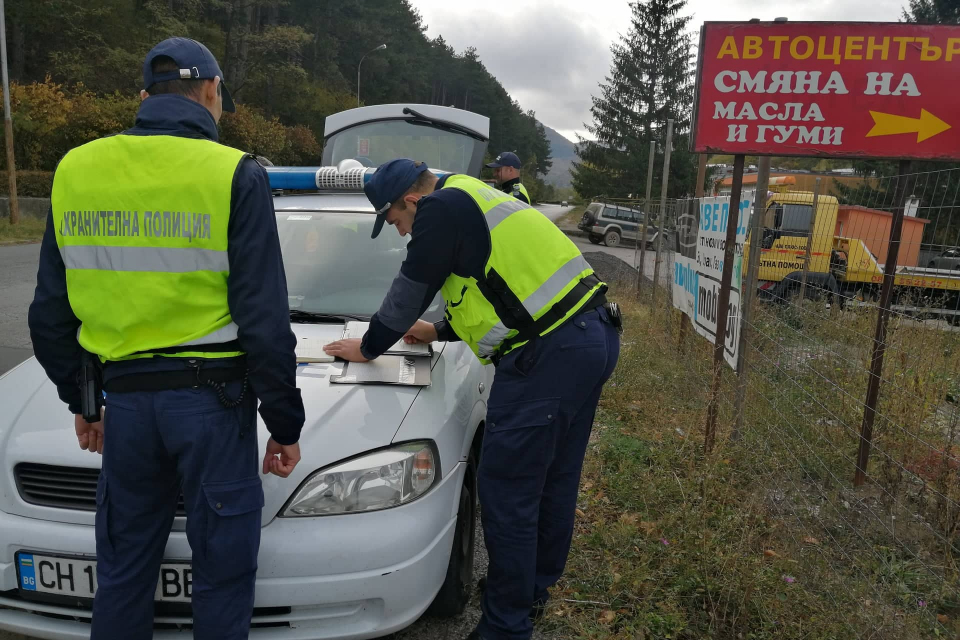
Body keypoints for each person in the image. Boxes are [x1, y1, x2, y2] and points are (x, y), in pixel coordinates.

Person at [27, 37, 305, 640]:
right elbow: (263, 320)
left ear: (144, 96)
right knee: (222, 572)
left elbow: (49, 315)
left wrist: (85, 400)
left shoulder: (75, 168)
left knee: (124, 569)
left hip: (124, 407)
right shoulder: (234, 172)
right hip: (211, 407)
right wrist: (285, 424)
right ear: (210, 93)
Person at [323, 158, 621, 640]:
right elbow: (499, 294)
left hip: (548, 356)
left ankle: (505, 626)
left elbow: (410, 287)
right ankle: (530, 592)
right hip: (588, 338)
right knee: (552, 480)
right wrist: (438, 329)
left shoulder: (440, 208)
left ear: (412, 201)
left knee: (508, 493)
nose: (401, 233)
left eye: (396, 221)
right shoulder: (470, 198)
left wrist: (370, 345)